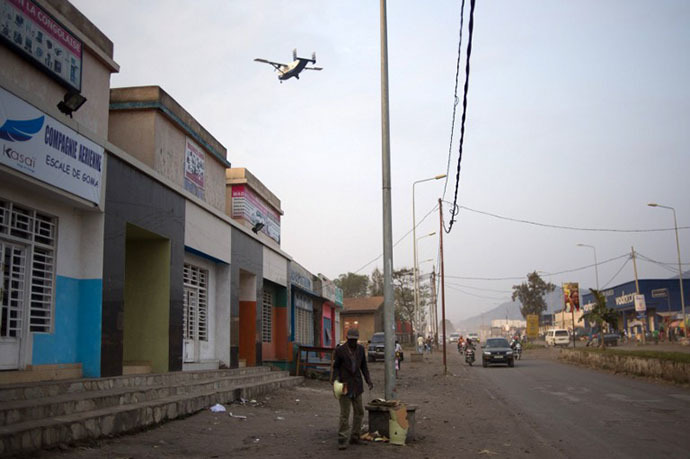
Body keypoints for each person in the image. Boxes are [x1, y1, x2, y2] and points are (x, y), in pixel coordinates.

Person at [332, 328, 374, 450]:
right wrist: (335, 380)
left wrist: (368, 380)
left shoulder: (361, 350)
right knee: (345, 414)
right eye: (351, 340)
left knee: (359, 412)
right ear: (347, 338)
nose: (352, 342)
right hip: (344, 385)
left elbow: (364, 367)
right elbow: (336, 367)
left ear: (357, 339)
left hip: (357, 385)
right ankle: (342, 439)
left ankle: (355, 437)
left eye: (354, 340)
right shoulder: (340, 351)